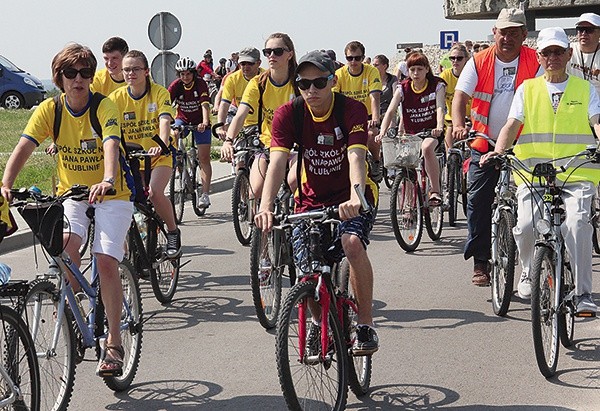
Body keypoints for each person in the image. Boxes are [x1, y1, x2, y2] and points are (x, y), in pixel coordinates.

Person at [1, 43, 133, 376]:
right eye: (71, 73)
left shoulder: (103, 107)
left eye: (86, 73)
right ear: (59, 77)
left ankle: (114, 342)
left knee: (104, 261)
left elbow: (111, 143)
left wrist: (107, 178)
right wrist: (5, 185)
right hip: (72, 196)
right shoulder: (51, 108)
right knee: (65, 249)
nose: (79, 79)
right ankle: (75, 318)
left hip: (112, 195)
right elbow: (24, 146)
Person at [255, 50, 379, 354]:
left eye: (319, 83)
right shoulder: (289, 113)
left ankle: (365, 323)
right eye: (304, 84)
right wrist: (265, 205)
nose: (311, 90)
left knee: (351, 243)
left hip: (352, 196)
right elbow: (277, 163)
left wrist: (355, 196)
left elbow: (356, 156)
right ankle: (316, 323)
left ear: (333, 81)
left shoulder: (351, 109)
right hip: (310, 200)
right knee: (306, 268)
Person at [481, 27, 600, 313]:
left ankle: (583, 294)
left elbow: (597, 120)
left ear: (569, 54)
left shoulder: (586, 89)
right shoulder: (528, 89)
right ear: (539, 56)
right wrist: (498, 152)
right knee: (525, 226)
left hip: (577, 173)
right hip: (533, 173)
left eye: (559, 52)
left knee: (577, 225)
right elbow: (511, 124)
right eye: (547, 52)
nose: (553, 57)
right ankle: (527, 271)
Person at [452, 7, 542, 287]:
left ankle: (541, 262)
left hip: (525, 143)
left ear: (524, 35)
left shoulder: (535, 61)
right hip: (485, 141)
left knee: (539, 202)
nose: (507, 38)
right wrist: (458, 124)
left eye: (514, 33)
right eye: (503, 32)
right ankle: (481, 261)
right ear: (494, 33)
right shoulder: (479, 62)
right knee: (477, 200)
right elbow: (460, 97)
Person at [108, 50, 181, 258]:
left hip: (158, 155)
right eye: (127, 70)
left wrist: (163, 143)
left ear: (146, 71)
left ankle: (173, 231)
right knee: (123, 202)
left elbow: (165, 120)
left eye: (136, 69)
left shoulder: (159, 93)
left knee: (155, 193)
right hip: (131, 158)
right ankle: (127, 257)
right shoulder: (116, 98)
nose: (131, 73)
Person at [221, 33, 298, 203]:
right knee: (254, 191)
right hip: (267, 144)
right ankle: (255, 227)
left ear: (290, 54)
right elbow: (240, 114)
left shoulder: (299, 83)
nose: (272, 56)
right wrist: (228, 140)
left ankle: (299, 222)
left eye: (278, 51)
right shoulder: (258, 83)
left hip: (295, 145)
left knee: (294, 181)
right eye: (267, 51)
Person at [379, 52, 446, 206]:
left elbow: (440, 107)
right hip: (411, 133)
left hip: (431, 131)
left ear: (427, 69)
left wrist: (439, 126)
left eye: (420, 69)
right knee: (407, 165)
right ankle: (409, 206)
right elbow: (390, 111)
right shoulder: (403, 88)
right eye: (412, 69)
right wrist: (383, 131)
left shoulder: (437, 85)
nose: (416, 73)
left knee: (427, 147)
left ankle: (435, 191)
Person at [333, 41, 383, 182]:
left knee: (371, 135)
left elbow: (374, 97)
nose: (353, 61)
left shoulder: (371, 71)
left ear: (363, 58)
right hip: (347, 117)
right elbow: (334, 99)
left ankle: (376, 162)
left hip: (367, 115)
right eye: (350, 58)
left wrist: (375, 118)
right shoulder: (339, 74)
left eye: (357, 58)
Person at [168, 57, 213, 209]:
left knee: (204, 158)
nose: (185, 77)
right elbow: (165, 105)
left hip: (199, 121)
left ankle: (205, 194)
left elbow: (205, 105)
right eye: (182, 74)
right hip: (183, 119)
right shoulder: (176, 86)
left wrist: (205, 122)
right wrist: (167, 123)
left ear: (193, 73)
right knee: (174, 134)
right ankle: (180, 166)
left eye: (188, 74)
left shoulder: (200, 84)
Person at [214, 47, 263, 140]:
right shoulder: (232, 79)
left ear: (259, 63)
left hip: (262, 124)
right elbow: (224, 104)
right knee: (230, 150)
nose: (245, 67)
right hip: (240, 123)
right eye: (242, 63)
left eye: (250, 63)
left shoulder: (266, 78)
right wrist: (220, 127)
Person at [439, 43, 471, 148]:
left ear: (466, 59)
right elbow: (439, 99)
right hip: (452, 119)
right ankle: (450, 160)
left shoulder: (472, 75)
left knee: (474, 142)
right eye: (452, 58)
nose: (455, 61)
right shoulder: (445, 75)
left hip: (471, 118)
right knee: (449, 134)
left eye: (459, 58)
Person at [568, 13, 600, 98]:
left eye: (589, 30)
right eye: (580, 29)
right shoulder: (567, 51)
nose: (583, 33)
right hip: (573, 104)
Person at [372, 54, 398, 126]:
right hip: (373, 113)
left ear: (384, 66)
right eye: (373, 65)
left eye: (376, 65)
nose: (373, 67)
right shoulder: (371, 80)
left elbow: (395, 95)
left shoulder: (393, 79)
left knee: (390, 129)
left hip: (388, 111)